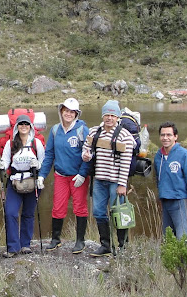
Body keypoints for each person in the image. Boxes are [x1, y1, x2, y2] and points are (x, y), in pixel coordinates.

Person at [82, 99, 135, 257]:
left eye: (112, 115)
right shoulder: (94, 132)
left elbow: (126, 162)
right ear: (103, 116)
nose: (109, 118)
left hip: (116, 181)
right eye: (107, 114)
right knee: (98, 211)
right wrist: (86, 156)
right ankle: (105, 245)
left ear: (118, 117)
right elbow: (87, 150)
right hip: (99, 179)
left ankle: (122, 247)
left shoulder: (124, 135)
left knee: (118, 212)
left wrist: (122, 184)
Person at [37, 98, 91, 254]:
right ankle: (56, 239)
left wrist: (82, 174)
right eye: (66, 110)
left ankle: (80, 241)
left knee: (80, 208)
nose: (68, 114)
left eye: (72, 112)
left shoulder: (82, 130)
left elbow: (89, 154)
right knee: (58, 207)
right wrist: (42, 175)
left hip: (77, 177)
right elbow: (49, 155)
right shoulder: (55, 130)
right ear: (61, 111)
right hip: (60, 175)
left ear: (76, 114)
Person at [0, 114, 45, 257]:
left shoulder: (36, 143)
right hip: (14, 182)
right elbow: (5, 161)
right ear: (17, 127)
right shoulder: (10, 144)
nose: (24, 127)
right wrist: (2, 165)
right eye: (21, 124)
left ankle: (25, 245)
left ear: (30, 127)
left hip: (33, 182)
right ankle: (13, 247)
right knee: (10, 212)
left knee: (28, 214)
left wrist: (38, 165)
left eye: (26, 124)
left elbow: (44, 161)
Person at [153, 122, 187, 241]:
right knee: (169, 239)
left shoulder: (184, 155)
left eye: (169, 135)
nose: (165, 138)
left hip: (180, 201)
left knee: (184, 239)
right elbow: (158, 180)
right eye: (162, 135)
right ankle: (172, 260)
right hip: (165, 201)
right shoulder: (158, 156)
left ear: (175, 136)